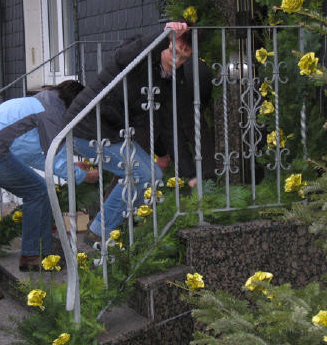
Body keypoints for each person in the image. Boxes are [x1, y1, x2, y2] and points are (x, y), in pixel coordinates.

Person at [64, 22, 215, 242]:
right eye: (173, 52)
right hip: (86, 128)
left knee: (153, 175)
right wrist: (164, 34)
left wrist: (190, 173)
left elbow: (169, 128)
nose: (177, 61)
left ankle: (101, 230)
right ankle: (99, 232)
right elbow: (124, 54)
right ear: (163, 45)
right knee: (142, 174)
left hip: (112, 134)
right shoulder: (137, 59)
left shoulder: (167, 82)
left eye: (184, 57)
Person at [0, 80, 98, 305]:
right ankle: (32, 254)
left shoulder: (35, 103)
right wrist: (83, 176)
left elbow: (32, 154)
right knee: (38, 191)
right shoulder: (51, 111)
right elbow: (55, 158)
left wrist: (72, 169)